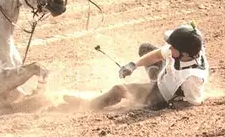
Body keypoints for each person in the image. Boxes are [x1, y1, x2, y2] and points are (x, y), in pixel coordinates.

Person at [64, 23, 209, 111]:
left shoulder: (191, 79)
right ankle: (152, 81)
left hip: (161, 95)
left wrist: (166, 105)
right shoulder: (186, 52)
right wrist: (133, 65)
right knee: (146, 48)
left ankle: (86, 105)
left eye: (173, 47)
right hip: (166, 78)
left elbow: (193, 102)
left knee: (118, 90)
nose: (169, 48)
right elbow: (158, 54)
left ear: (183, 53)